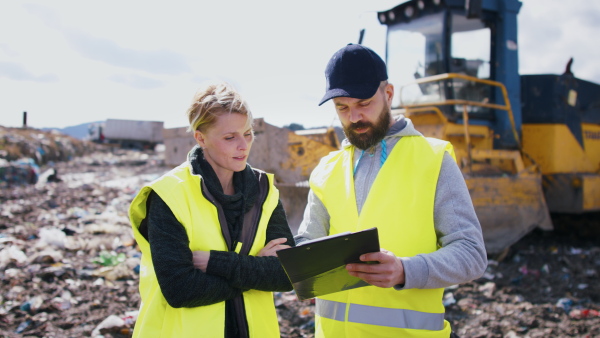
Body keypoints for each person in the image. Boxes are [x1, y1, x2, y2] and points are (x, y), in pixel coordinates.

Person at [295, 43, 487, 337]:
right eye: (342, 108)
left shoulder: (433, 160)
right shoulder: (325, 169)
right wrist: (288, 255)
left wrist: (404, 270)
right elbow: (308, 244)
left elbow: (471, 254)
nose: (354, 117)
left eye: (363, 103)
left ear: (388, 93)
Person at [129, 83, 294, 337]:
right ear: (201, 137)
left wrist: (217, 263)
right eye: (230, 137)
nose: (243, 145)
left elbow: (286, 274)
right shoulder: (169, 196)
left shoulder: (264, 191)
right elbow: (180, 288)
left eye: (248, 133)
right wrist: (256, 270)